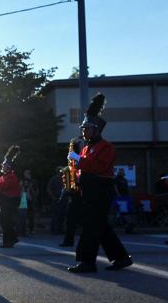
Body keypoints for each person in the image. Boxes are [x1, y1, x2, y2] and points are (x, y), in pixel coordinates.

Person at [67, 93, 133, 273]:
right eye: (83, 128)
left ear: (97, 130)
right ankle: (121, 258)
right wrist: (74, 178)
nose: (83, 131)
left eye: (87, 128)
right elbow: (83, 169)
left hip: (101, 190)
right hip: (88, 189)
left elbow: (98, 167)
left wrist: (78, 160)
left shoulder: (107, 147)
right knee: (100, 225)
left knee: (91, 226)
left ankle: (87, 262)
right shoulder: (87, 147)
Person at [0, 146, 21, 248]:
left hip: (10, 201)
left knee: (6, 221)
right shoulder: (5, 176)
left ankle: (9, 241)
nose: (2, 165)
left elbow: (2, 186)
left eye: (4, 164)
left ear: (9, 167)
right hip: (5, 201)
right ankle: (12, 239)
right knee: (4, 221)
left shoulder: (11, 176)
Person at [47, 166, 66, 235]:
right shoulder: (54, 179)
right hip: (57, 199)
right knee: (56, 215)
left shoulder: (65, 178)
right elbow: (49, 189)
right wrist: (53, 197)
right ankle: (54, 230)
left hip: (63, 199)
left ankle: (60, 229)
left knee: (62, 215)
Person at [22, 169, 38, 235]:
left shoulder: (33, 181)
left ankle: (31, 229)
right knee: (23, 215)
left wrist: (34, 195)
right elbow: (21, 189)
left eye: (29, 173)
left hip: (31, 199)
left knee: (31, 215)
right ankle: (24, 230)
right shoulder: (22, 181)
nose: (28, 174)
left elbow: (37, 190)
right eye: (26, 173)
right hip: (24, 199)